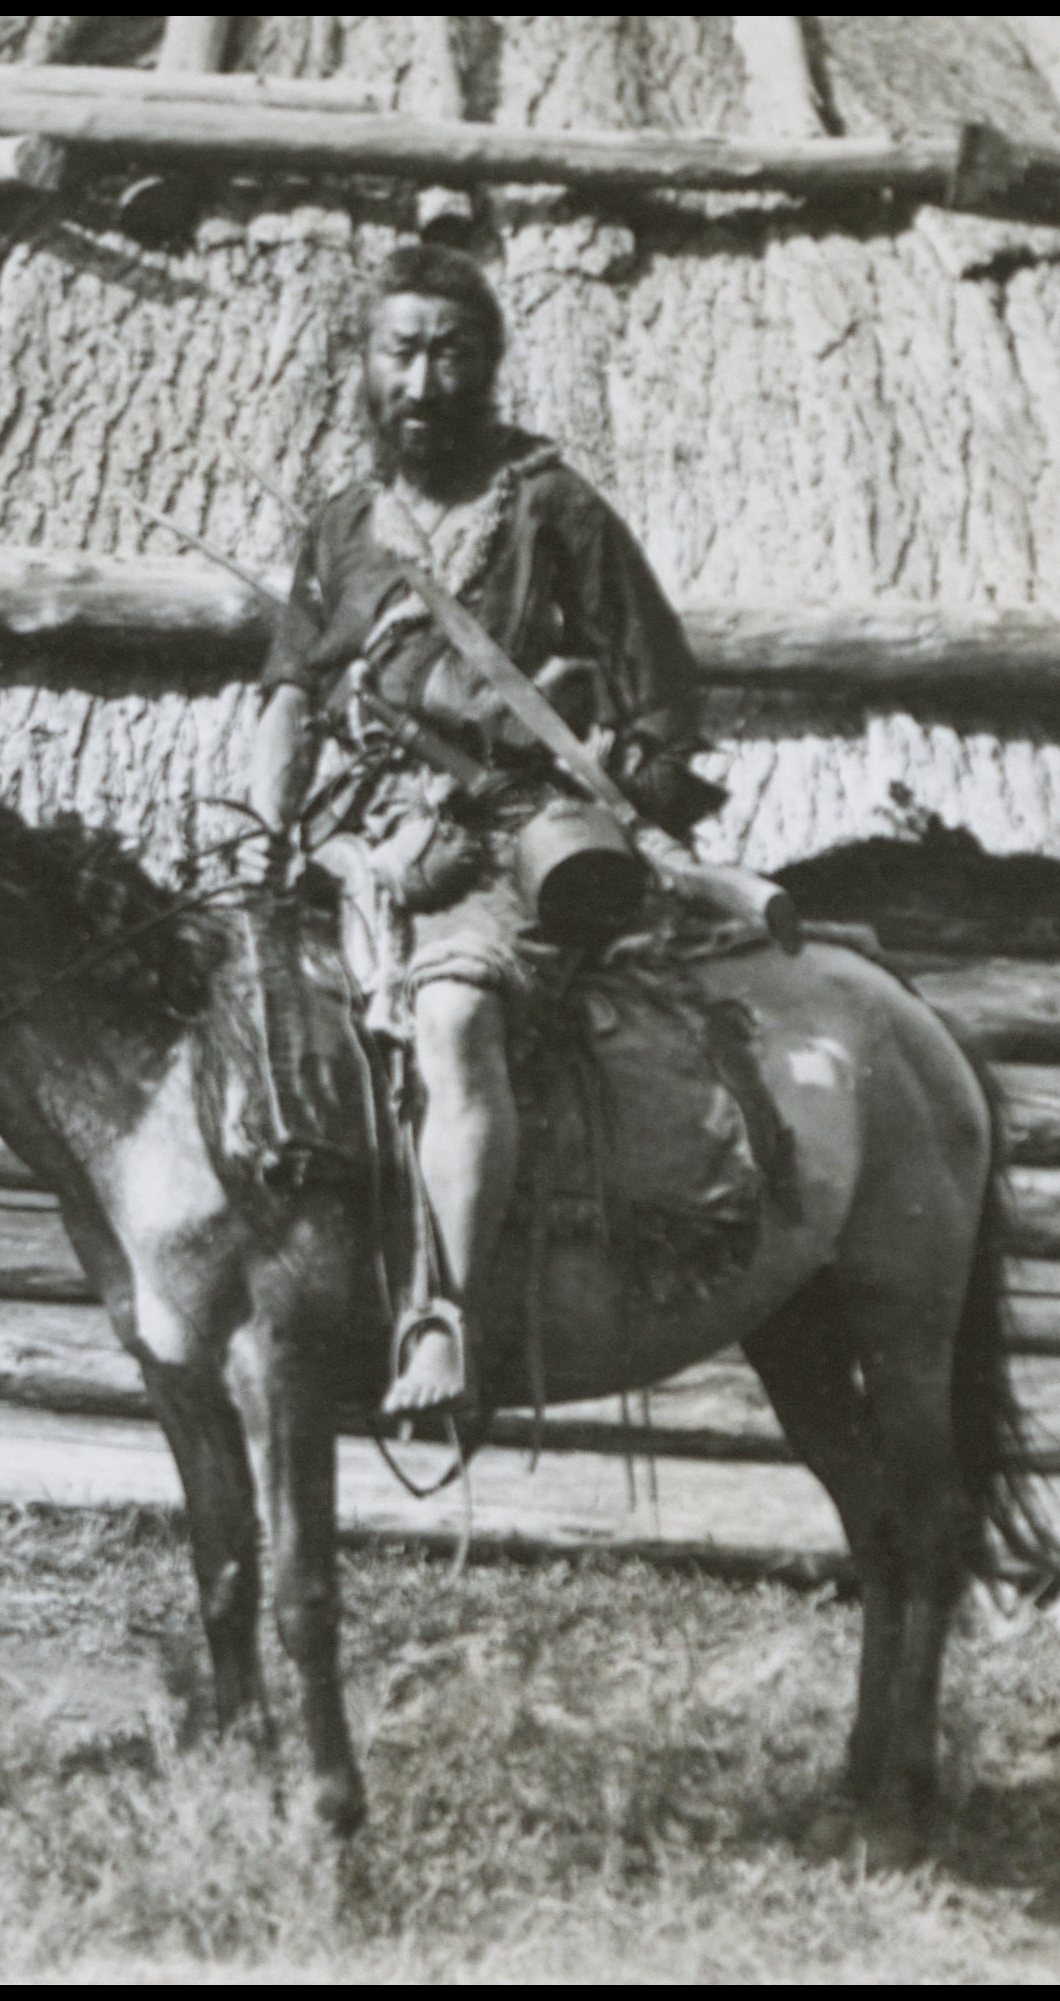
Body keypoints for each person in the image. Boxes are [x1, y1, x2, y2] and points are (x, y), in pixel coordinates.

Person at [251, 244, 724, 1417]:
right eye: (399, 351)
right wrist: (270, 827)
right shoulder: (339, 527)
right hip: (348, 840)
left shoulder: (550, 506)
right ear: (361, 365)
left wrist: (603, 808)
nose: (423, 380)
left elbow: (660, 696)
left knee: (455, 1016)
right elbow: (290, 695)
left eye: (450, 353)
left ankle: (443, 1322)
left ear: (490, 366)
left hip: (508, 838)